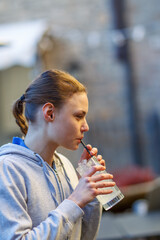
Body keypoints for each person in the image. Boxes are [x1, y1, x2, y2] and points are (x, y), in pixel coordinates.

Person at [0, 69, 115, 240]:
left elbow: (84, 237)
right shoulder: (7, 169)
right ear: (49, 113)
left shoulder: (65, 165)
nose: (86, 126)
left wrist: (89, 194)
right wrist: (74, 201)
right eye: (78, 116)